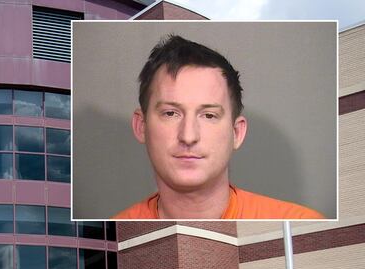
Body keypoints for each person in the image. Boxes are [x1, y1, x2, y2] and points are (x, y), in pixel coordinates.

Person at [113, 35, 324, 220]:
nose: (188, 136)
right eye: (170, 113)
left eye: (209, 115)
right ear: (141, 126)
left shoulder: (303, 221)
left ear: (237, 133)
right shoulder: (118, 222)